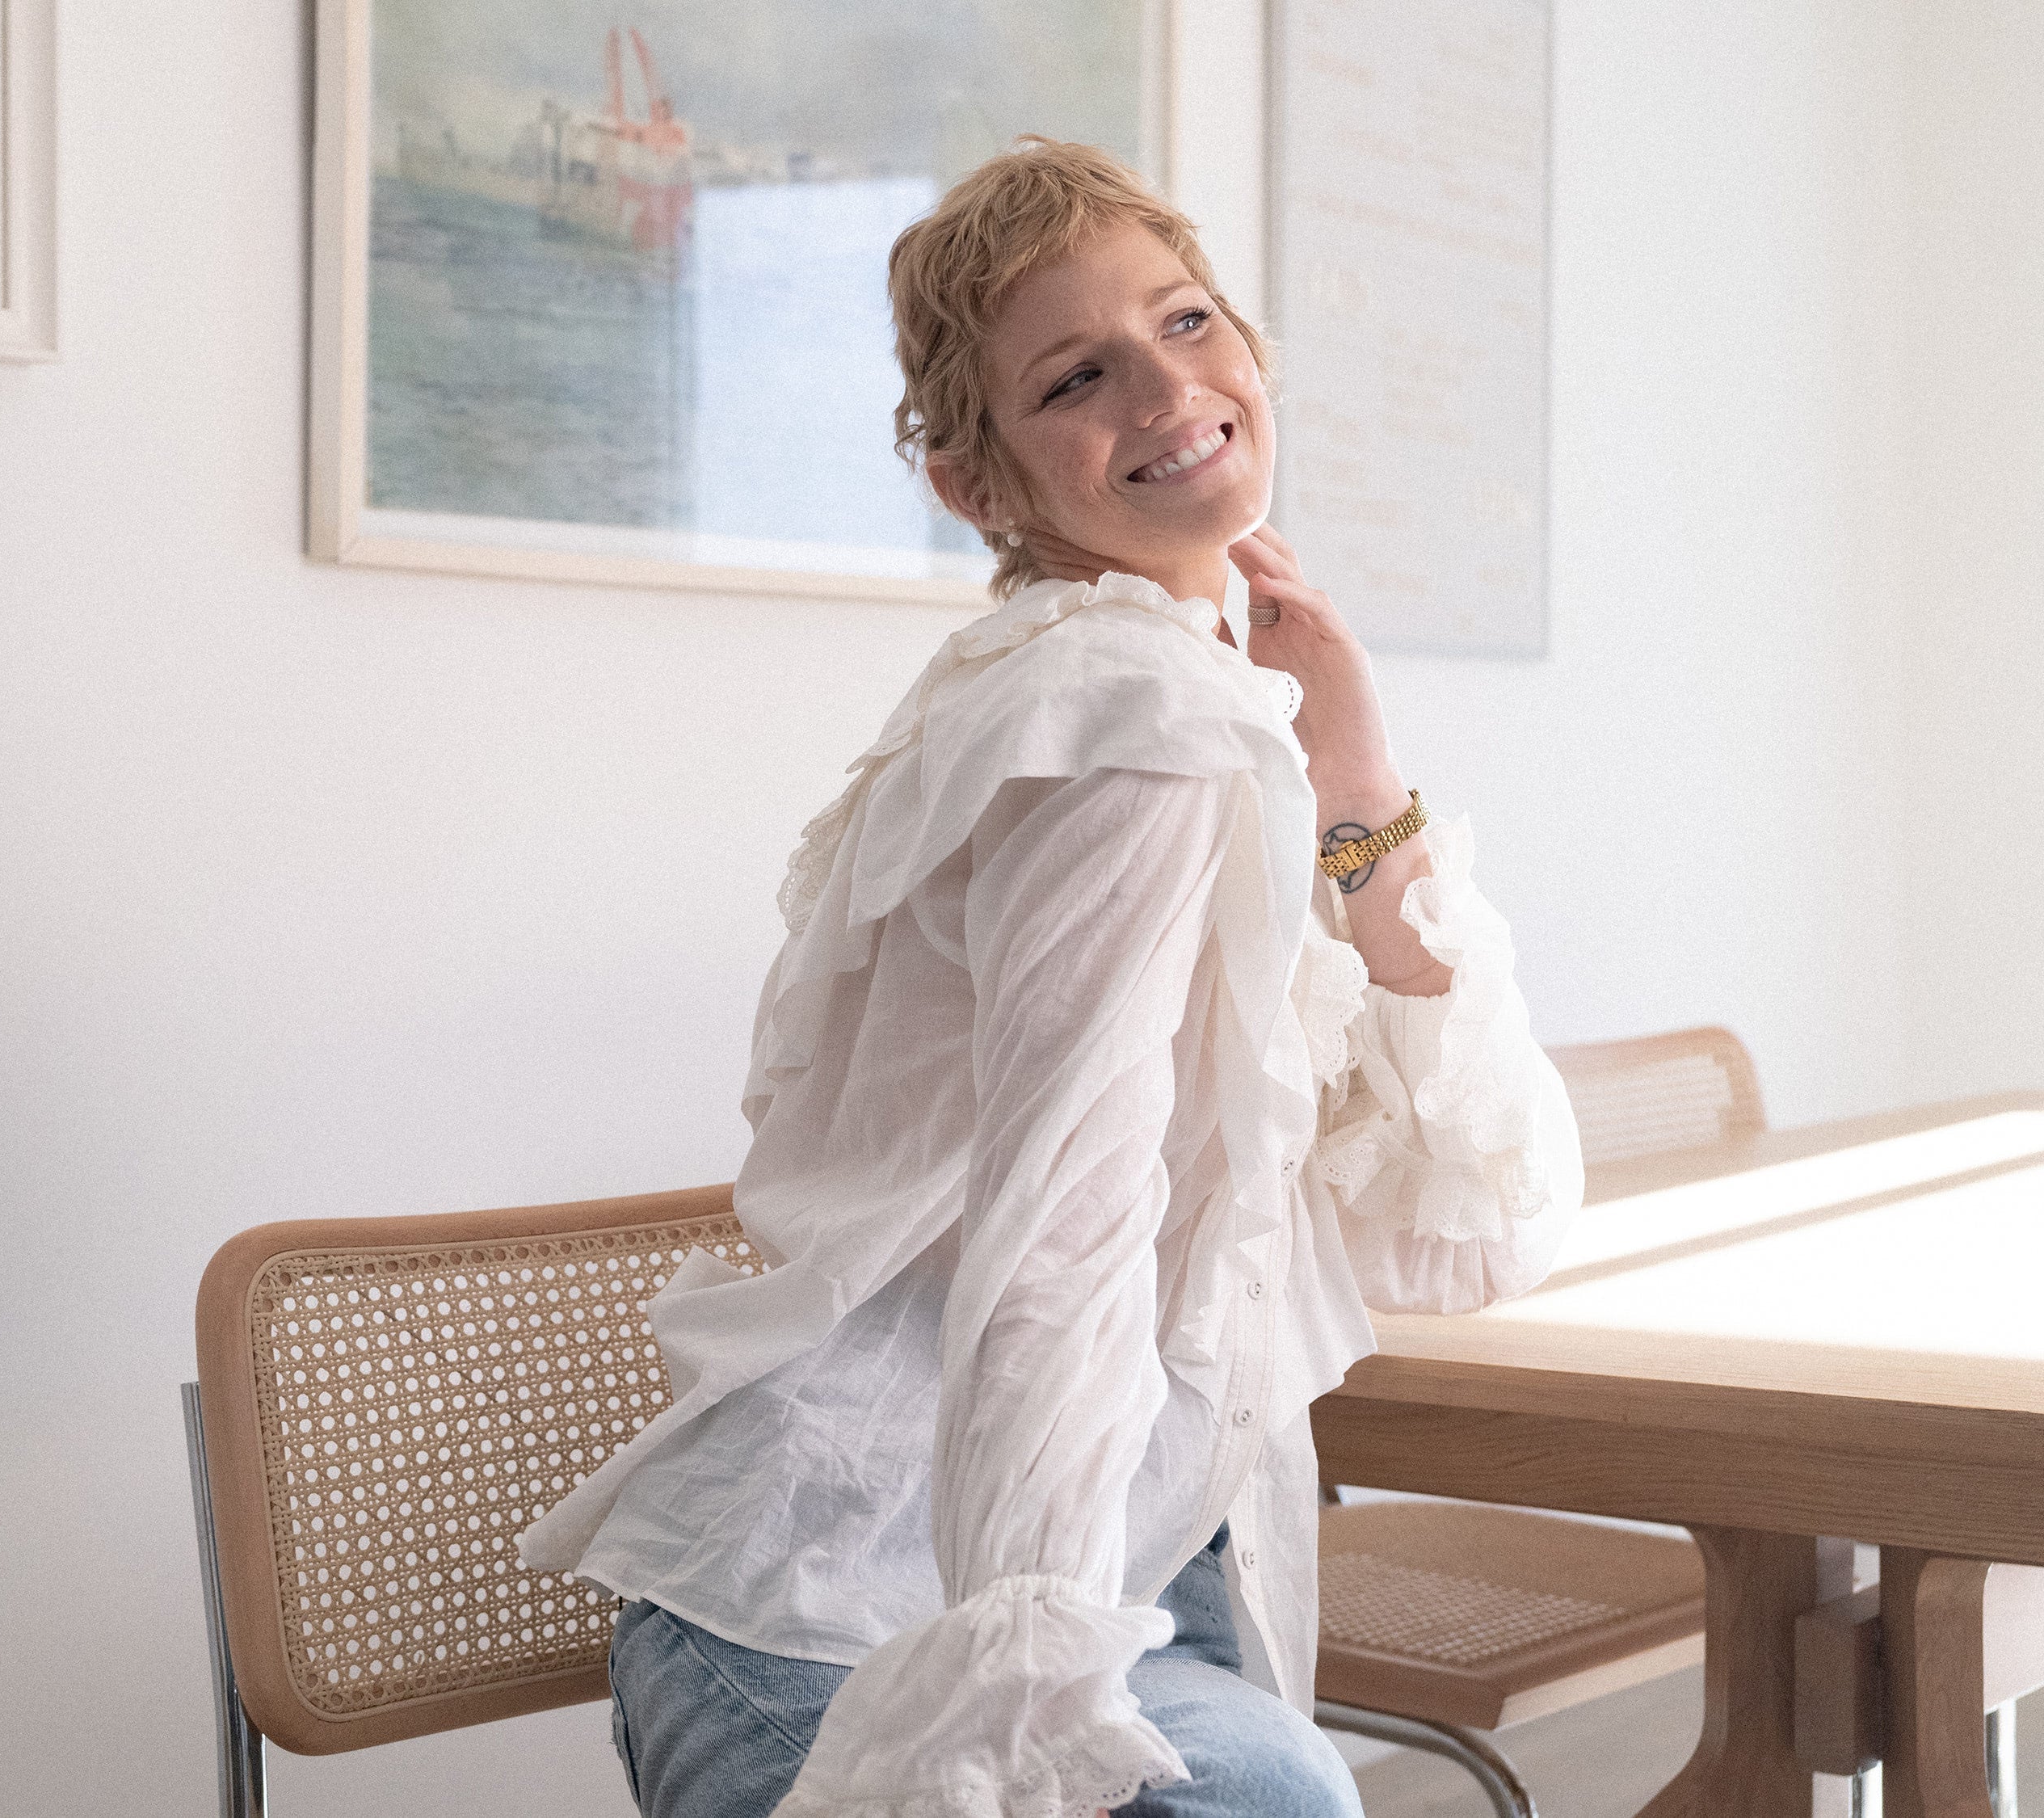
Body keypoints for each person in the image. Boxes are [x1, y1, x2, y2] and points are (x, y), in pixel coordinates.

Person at [519, 137, 1583, 1818]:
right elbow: (1060, 1229)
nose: (1169, 389)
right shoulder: (1122, 714)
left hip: (1105, 1582)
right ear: (978, 481)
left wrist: (1359, 775)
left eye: (1186, 322)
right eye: (1079, 377)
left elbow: (1473, 1218)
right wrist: (1010, 1690)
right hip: (853, 1611)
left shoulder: (1167, 687)